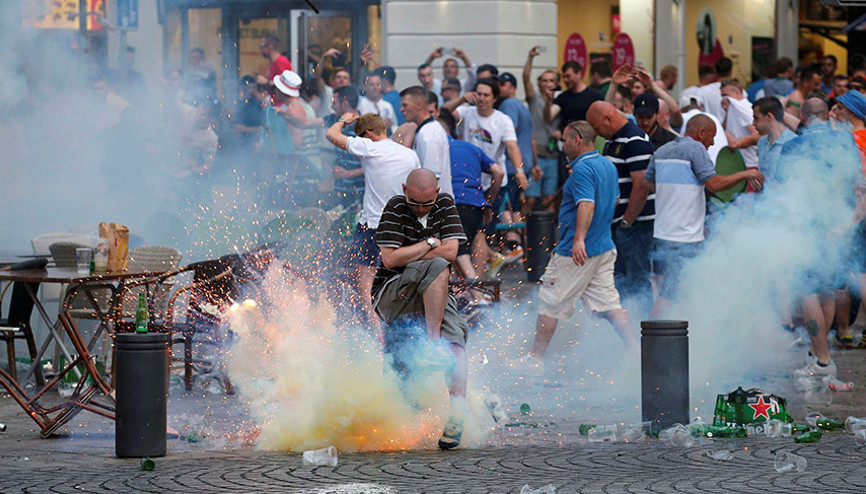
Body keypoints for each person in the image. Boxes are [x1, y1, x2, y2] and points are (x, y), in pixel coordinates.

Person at [519, 120, 636, 372]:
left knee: (550, 300)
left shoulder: (582, 170)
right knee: (610, 304)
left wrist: (579, 238)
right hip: (604, 247)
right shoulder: (607, 164)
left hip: (577, 253)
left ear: (576, 140)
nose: (561, 145)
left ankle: (535, 359)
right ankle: (637, 351)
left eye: (564, 140)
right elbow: (614, 200)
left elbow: (587, 203)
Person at [373, 169, 469, 450]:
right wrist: (429, 243)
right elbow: (390, 259)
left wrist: (411, 252)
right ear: (404, 189)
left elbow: (451, 252)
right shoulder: (395, 207)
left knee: (457, 341)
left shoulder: (446, 204)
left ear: (437, 193)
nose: (421, 208)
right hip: (394, 288)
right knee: (438, 265)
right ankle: (431, 345)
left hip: (435, 289)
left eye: (427, 203)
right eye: (415, 202)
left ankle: (458, 415)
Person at [645, 115, 764, 317]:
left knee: (679, 291)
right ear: (701, 133)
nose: (711, 143)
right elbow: (715, 184)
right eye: (712, 137)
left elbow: (648, 184)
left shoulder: (662, 150)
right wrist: (747, 174)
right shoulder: (696, 149)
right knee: (671, 294)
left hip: (663, 233)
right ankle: (651, 340)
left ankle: (675, 337)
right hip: (684, 236)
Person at [326, 113, 421, 328]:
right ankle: (403, 325)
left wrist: (344, 119)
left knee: (365, 274)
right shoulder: (410, 155)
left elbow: (331, 134)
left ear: (367, 134)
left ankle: (375, 325)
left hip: (374, 225)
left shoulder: (369, 147)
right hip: (404, 226)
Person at [587, 101, 656, 315]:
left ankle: (642, 327)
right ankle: (626, 328)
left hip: (635, 226)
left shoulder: (635, 140)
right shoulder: (614, 141)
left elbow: (642, 186)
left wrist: (627, 221)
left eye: (598, 128)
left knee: (636, 279)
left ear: (608, 119)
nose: (599, 134)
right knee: (621, 281)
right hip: (620, 225)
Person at [523, 45, 561, 212]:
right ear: (539, 83)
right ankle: (521, 233)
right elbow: (525, 79)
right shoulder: (534, 98)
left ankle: (549, 236)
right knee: (530, 198)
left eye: (551, 81)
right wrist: (530, 58)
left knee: (550, 199)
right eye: (544, 81)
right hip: (535, 155)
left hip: (552, 155)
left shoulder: (561, 100)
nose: (548, 84)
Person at [497, 72, 539, 216]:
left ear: (513, 87)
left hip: (511, 165)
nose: (499, 87)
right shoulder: (522, 107)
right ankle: (519, 236)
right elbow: (532, 139)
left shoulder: (509, 104)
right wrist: (534, 164)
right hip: (524, 164)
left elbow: (509, 132)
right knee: (516, 207)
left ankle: (512, 237)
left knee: (506, 208)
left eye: (503, 84)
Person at [400, 86, 453, 196]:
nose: (401, 109)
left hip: (435, 207)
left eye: (405, 105)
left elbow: (430, 180)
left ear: (419, 105)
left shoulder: (429, 135)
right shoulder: (426, 130)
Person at [544, 61, 603, 131]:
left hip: (588, 139)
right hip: (568, 139)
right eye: (563, 77)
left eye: (568, 76)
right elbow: (548, 117)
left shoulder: (594, 96)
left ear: (578, 74)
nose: (565, 80)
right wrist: (549, 100)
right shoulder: (563, 97)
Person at [753, 97, 798, 185]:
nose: (753, 123)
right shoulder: (761, 143)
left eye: (756, 118)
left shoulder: (794, 143)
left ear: (769, 116)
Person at [720, 79, 759, 170]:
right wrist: (726, 111)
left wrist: (736, 141)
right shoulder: (733, 107)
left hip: (748, 163)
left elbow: (756, 133)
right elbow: (724, 128)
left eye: (726, 95)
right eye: (722, 96)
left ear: (737, 92)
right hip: (737, 162)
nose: (723, 99)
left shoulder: (742, 107)